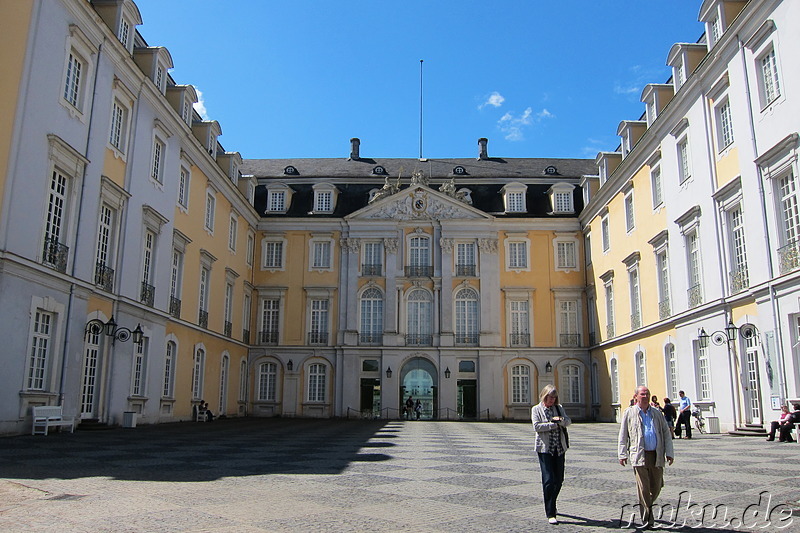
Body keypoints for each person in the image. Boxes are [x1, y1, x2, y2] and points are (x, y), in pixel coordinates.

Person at [619, 386, 674, 529]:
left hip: (656, 454)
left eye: (647, 394)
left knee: (656, 486)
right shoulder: (629, 413)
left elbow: (666, 434)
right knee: (643, 488)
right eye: (642, 394)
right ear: (636, 396)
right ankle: (648, 519)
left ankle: (647, 506)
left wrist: (669, 453)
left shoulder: (656, 413)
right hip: (639, 455)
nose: (645, 396)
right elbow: (623, 435)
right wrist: (622, 453)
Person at [531, 384, 571, 525]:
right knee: (548, 480)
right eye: (549, 397)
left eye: (554, 398)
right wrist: (552, 424)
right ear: (544, 396)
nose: (552, 400)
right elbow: (536, 426)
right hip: (544, 449)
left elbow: (568, 421)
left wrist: (561, 421)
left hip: (559, 448)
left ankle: (551, 502)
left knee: (559, 480)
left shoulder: (558, 408)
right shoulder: (536, 409)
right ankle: (551, 512)